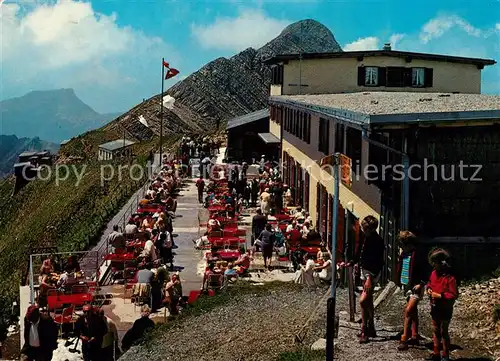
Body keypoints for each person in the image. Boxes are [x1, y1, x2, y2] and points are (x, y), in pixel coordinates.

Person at [351, 215, 385, 344]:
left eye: (364, 228)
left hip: (371, 273)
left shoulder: (377, 241)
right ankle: (371, 327)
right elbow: (360, 252)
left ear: (370, 229)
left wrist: (369, 277)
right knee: (368, 300)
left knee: (363, 300)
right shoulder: (365, 238)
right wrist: (353, 261)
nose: (362, 230)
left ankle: (364, 329)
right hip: (364, 271)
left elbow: (377, 261)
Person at [396, 231, 428, 351]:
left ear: (409, 244)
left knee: (408, 310)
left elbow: (425, 271)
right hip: (407, 286)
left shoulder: (418, 255)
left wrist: (421, 283)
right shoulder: (404, 255)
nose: (401, 247)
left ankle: (404, 339)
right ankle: (415, 334)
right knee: (413, 310)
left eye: (403, 245)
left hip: (416, 287)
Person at [425, 249, 458, 361]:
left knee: (443, 330)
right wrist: (429, 289)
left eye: (436, 262)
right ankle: (436, 353)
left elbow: (453, 294)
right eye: (433, 262)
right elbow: (429, 282)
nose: (434, 265)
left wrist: (440, 295)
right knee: (435, 329)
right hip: (435, 306)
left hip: (445, 307)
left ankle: (445, 354)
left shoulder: (450, 278)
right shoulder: (433, 274)